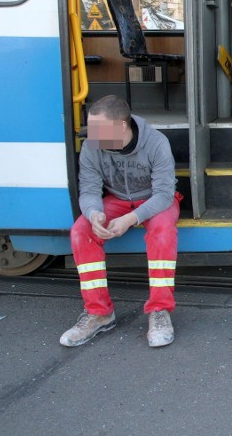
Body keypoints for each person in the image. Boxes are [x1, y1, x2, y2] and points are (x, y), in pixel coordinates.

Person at [60, 95, 181, 348]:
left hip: (154, 200)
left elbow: (163, 195)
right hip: (116, 199)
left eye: (98, 129)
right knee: (81, 231)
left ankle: (160, 311)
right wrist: (93, 213)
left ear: (121, 126)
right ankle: (99, 313)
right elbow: (90, 189)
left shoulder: (157, 143)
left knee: (162, 231)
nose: (92, 136)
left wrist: (131, 219)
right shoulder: (92, 146)